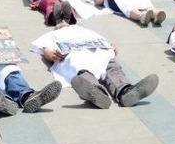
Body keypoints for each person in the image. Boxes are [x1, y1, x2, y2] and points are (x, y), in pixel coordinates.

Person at [31, 23, 159, 109]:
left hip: (98, 52)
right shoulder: (53, 35)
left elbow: (104, 42)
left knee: (111, 66)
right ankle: (96, 92)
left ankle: (126, 91)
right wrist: (50, 54)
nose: (64, 22)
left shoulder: (85, 31)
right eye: (61, 24)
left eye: (67, 22)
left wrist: (112, 46)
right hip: (75, 55)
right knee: (82, 69)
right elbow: (45, 49)